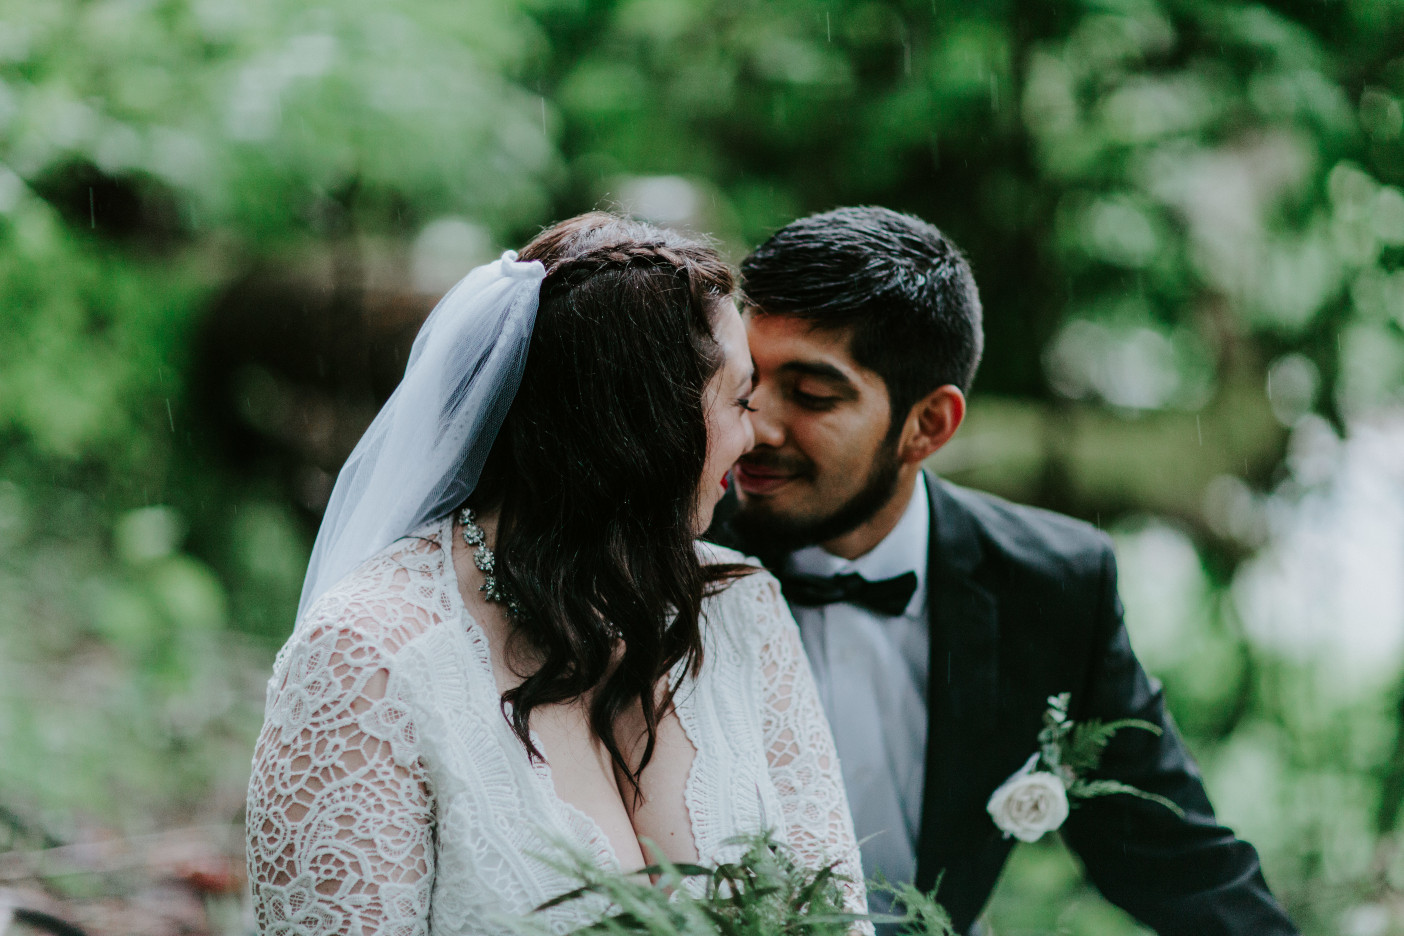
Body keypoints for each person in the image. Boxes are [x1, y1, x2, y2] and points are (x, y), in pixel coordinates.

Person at [244, 213, 870, 935]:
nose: (755, 433)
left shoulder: (743, 606)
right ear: (644, 426)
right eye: (737, 398)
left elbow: (835, 917)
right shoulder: (368, 658)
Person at [711, 206, 1299, 935]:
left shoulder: (1053, 587)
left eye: (812, 394)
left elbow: (1178, 862)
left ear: (928, 425)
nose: (754, 427)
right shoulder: (664, 552)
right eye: (746, 380)